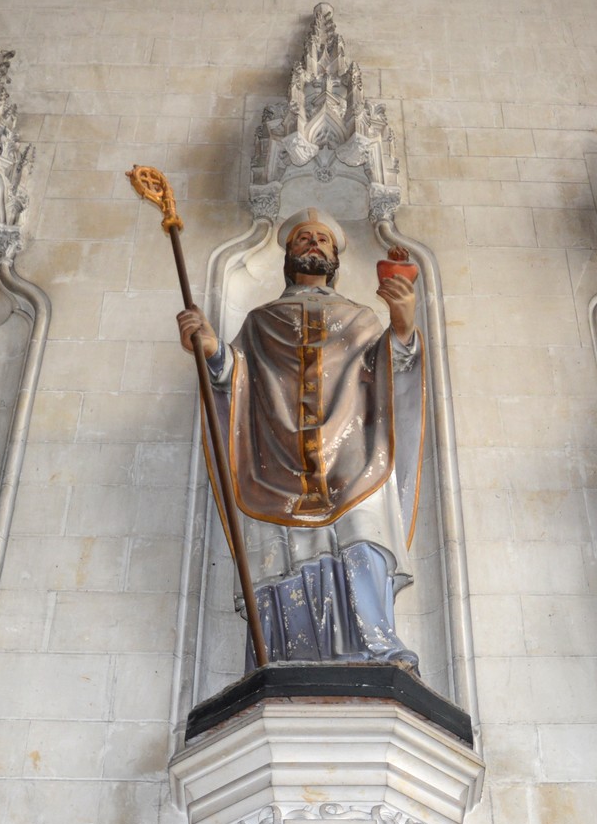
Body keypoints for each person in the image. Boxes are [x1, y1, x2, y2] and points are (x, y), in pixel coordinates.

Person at [175, 208, 425, 667]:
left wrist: (404, 325)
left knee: (363, 537)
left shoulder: (362, 319)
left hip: (354, 457)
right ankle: (280, 655)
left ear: (334, 258)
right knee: (281, 549)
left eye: (323, 241)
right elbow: (238, 381)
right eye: (303, 239)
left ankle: (375, 645)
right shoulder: (260, 321)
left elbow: (394, 371)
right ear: (288, 255)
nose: (313, 245)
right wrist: (212, 351)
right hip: (276, 459)